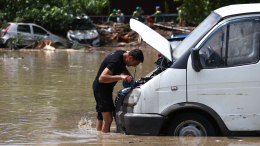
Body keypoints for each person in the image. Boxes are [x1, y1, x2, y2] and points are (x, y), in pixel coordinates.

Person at [92, 49, 144, 132]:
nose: (134, 66)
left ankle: (99, 140)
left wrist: (131, 79)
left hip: (105, 88)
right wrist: (121, 77)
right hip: (101, 89)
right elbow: (101, 78)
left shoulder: (123, 55)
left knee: (101, 117)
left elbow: (123, 67)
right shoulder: (115, 61)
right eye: (135, 64)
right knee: (108, 119)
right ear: (130, 58)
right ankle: (106, 142)